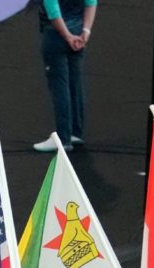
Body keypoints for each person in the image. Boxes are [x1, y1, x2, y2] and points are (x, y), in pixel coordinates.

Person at [32, 0, 97, 153]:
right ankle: (76, 132)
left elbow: (53, 13)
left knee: (59, 86)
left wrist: (67, 37)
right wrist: (85, 32)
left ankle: (63, 138)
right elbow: (91, 3)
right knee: (75, 83)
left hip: (56, 36)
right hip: (78, 30)